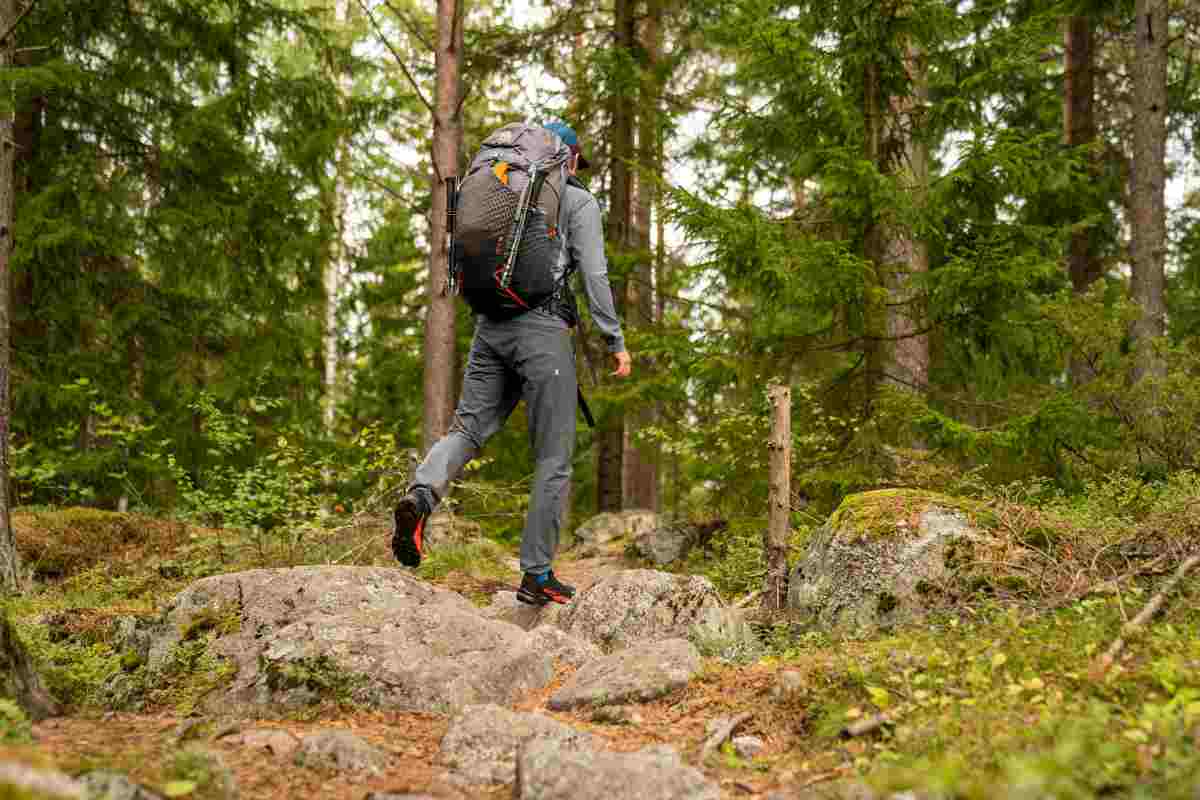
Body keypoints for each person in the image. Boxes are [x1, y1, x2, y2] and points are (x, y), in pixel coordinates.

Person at [392, 121, 631, 605]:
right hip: (542, 332)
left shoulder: (499, 181)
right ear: (569, 157)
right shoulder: (577, 200)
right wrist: (614, 340)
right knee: (553, 456)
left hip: (489, 324)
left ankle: (421, 495)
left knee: (467, 429)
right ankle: (537, 574)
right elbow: (594, 272)